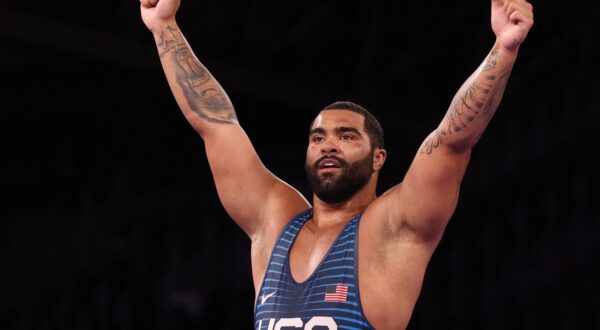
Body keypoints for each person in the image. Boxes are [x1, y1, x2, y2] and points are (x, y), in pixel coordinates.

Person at [140, 0, 533, 328]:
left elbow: (452, 141)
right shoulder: (275, 220)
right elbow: (216, 124)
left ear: (379, 158)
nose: (328, 146)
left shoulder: (393, 227)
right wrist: (163, 27)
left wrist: (504, 47)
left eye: (346, 136)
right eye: (318, 138)